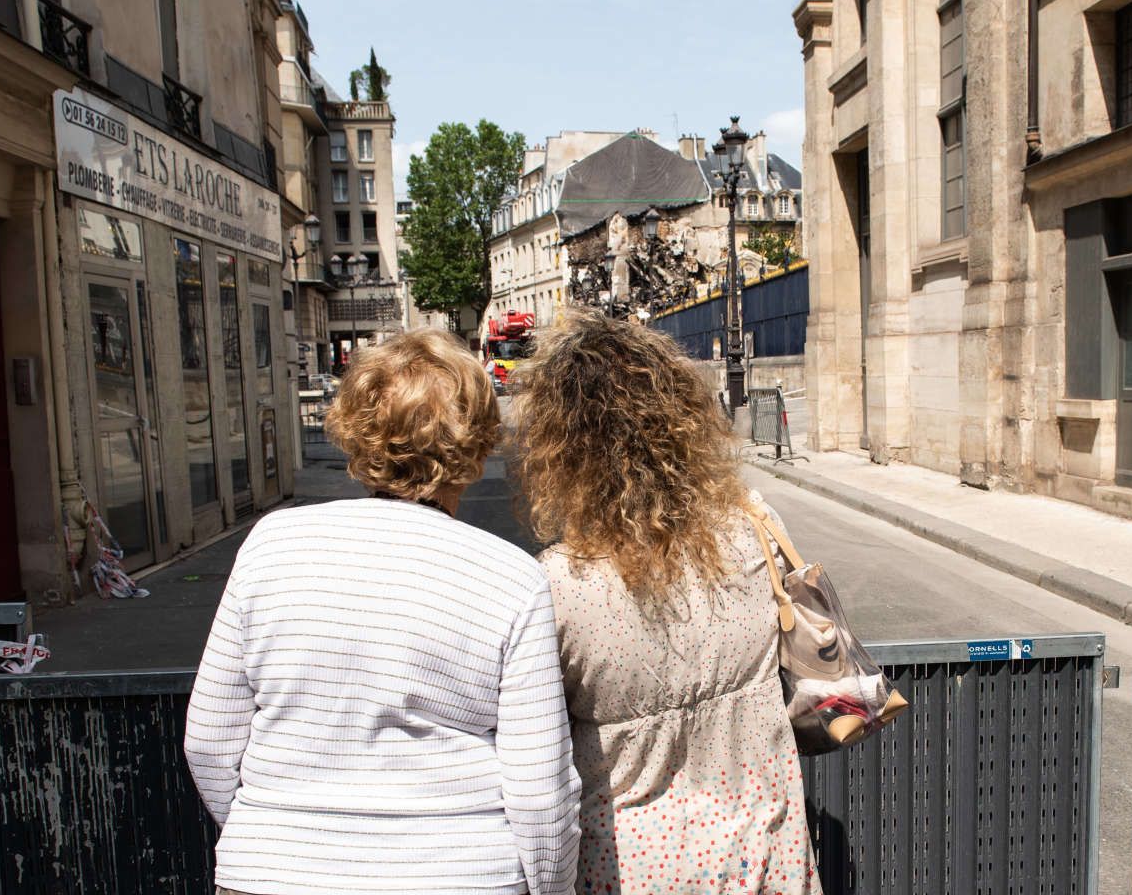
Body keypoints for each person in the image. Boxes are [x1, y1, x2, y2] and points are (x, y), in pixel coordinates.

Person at [184, 328, 581, 895]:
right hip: (456, 872)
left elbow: (209, 740)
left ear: (358, 431)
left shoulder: (272, 545)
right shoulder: (510, 577)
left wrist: (274, 833)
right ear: (476, 444)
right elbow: (540, 786)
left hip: (277, 871)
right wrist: (552, 887)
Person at [509, 309, 820, 894]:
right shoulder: (755, 527)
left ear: (563, 448)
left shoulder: (557, 586)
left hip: (633, 869)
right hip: (763, 850)